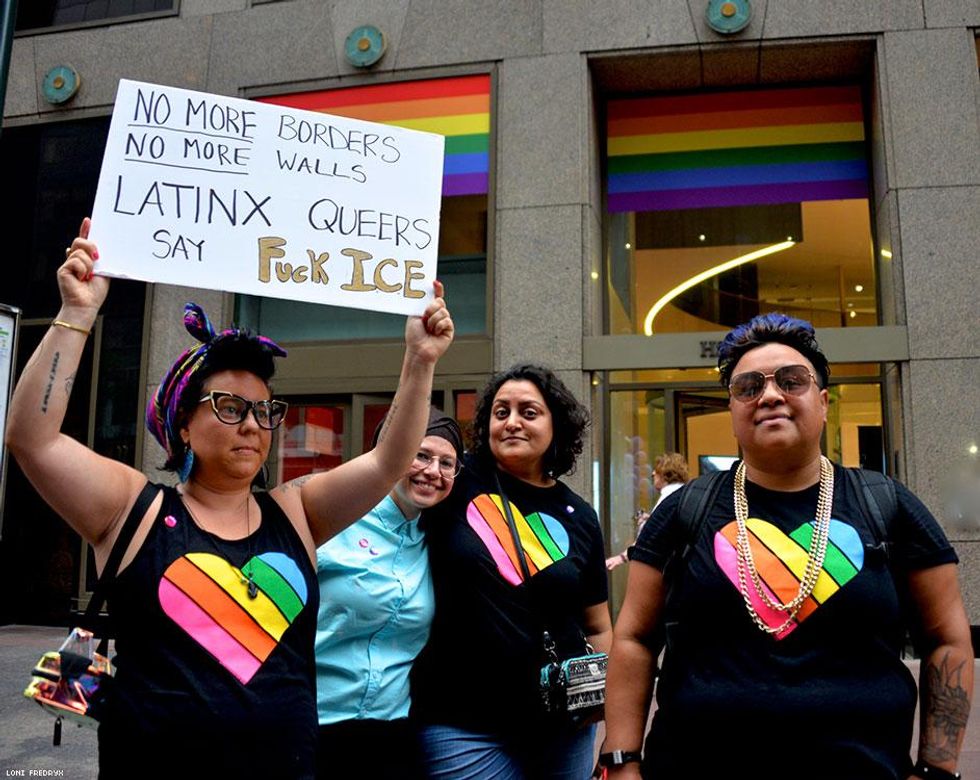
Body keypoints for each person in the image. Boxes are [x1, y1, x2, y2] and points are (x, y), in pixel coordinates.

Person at [5, 218, 454, 778]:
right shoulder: (134, 509)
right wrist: (76, 314)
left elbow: (389, 461)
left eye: (264, 410)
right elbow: (33, 440)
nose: (252, 424)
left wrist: (421, 361)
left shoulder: (295, 511)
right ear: (184, 426)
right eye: (229, 407)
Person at [602, 313, 973, 780]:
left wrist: (937, 768)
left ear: (822, 402)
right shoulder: (684, 511)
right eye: (748, 386)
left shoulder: (888, 505)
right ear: (732, 409)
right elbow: (634, 638)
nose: (770, 395)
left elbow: (947, 640)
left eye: (791, 381)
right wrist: (621, 762)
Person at [411, 363, 613, 779]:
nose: (512, 422)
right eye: (501, 412)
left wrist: (599, 705)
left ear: (557, 425)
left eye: (529, 412)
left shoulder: (580, 515)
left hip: (564, 727)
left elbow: (597, 626)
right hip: (461, 723)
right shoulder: (455, 482)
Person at [314, 408, 463, 780]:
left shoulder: (437, 541)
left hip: (391, 733)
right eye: (422, 454)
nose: (433, 471)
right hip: (312, 723)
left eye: (447, 463)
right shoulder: (333, 518)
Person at [606, 453, 688, 570]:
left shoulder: (668, 499)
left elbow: (650, 539)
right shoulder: (684, 494)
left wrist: (620, 558)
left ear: (666, 474)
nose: (653, 473)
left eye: (657, 471)